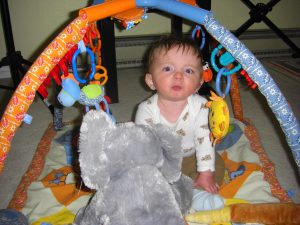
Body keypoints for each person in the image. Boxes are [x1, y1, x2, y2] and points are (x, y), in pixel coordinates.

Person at [135, 34, 225, 211]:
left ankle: (198, 193)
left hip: (192, 156)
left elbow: (204, 140)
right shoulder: (146, 110)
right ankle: (165, 197)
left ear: (199, 84)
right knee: (142, 176)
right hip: (161, 160)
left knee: (217, 164)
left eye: (188, 71)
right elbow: (144, 146)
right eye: (168, 68)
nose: (178, 76)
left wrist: (206, 172)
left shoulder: (202, 106)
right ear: (151, 81)